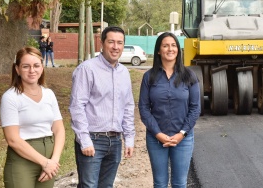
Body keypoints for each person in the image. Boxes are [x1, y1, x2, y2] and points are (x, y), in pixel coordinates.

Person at [69, 26, 135, 187]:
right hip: (93, 139)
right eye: (111, 42)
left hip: (115, 141)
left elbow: (127, 106)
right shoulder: (87, 69)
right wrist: (84, 140)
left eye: (120, 43)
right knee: (89, 186)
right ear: (102, 43)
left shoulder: (124, 73)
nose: (115, 47)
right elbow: (77, 106)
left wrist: (129, 138)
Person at [138, 32, 201, 188]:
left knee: (179, 183)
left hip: (183, 139)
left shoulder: (189, 75)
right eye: (165, 45)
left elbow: (195, 108)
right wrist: (158, 134)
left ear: (178, 50)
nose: (170, 49)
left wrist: (182, 133)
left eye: (173, 45)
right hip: (155, 138)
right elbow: (144, 108)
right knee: (160, 183)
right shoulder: (149, 77)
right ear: (159, 50)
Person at [0, 47, 65, 188]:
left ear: (42, 67)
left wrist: (53, 161)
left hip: (49, 160)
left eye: (36, 65)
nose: (32, 70)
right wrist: (44, 162)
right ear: (17, 69)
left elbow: (59, 129)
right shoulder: (10, 97)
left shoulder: (49, 94)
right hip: (22, 162)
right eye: (26, 66)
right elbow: (12, 139)